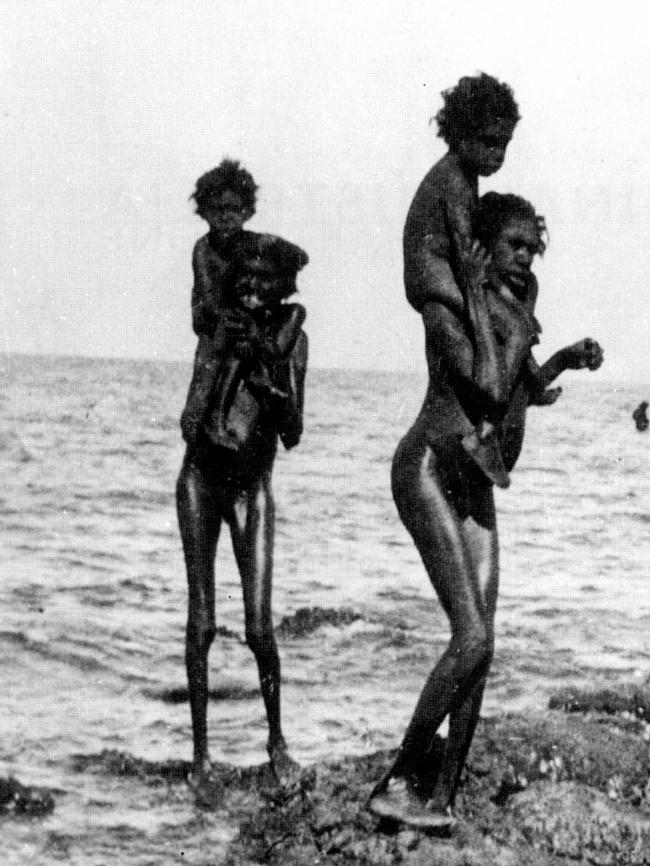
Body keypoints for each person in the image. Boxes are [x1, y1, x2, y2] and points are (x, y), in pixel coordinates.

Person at [368, 192, 603, 831]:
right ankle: (394, 783)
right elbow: (491, 390)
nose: (525, 259)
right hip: (430, 468)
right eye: (513, 246)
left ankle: (439, 800)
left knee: (483, 647)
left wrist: (563, 360)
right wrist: (508, 321)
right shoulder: (458, 305)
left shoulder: (513, 303)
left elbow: (523, 386)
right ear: (484, 248)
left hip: (477, 480)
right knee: (471, 637)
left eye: (533, 248)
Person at [176, 162, 308, 806]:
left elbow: (292, 432)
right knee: (201, 619)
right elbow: (189, 416)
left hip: (251, 485)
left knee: (259, 628)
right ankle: (200, 755)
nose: (254, 291)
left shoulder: (292, 340)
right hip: (202, 476)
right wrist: (228, 344)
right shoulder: (214, 312)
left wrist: (271, 381)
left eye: (266, 283)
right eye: (247, 280)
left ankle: (276, 743)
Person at [403, 72, 522, 489]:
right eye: (489, 143)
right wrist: (482, 291)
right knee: (501, 333)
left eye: (503, 146)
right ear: (461, 134)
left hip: (439, 281)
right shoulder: (454, 177)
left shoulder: (463, 175)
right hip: (437, 281)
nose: (497, 155)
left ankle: (486, 427)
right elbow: (461, 242)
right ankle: (485, 432)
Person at [179, 159, 307, 452]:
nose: (226, 218)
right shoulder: (204, 249)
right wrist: (243, 319)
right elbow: (209, 299)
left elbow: (299, 258)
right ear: (204, 212)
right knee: (230, 339)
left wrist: (277, 250)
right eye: (217, 210)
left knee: (297, 335)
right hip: (215, 318)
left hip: (250, 319)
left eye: (234, 210)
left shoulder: (252, 243)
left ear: (247, 212)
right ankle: (207, 414)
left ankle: (291, 416)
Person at [206, 231, 307, 450]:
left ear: (284, 283)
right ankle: (217, 421)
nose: (252, 285)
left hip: (256, 452)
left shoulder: (293, 334)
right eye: (245, 274)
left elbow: (293, 434)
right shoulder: (229, 322)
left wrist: (270, 391)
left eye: (265, 278)